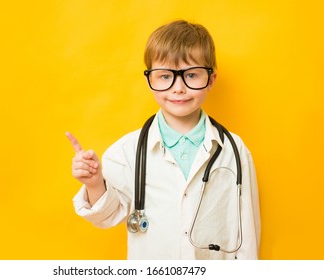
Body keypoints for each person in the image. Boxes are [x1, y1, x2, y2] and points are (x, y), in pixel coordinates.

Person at [66, 20, 260, 260]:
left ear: (211, 79)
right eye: (165, 76)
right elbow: (107, 216)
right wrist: (95, 184)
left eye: (191, 75)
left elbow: (248, 234)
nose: (178, 88)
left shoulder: (234, 149)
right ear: (151, 80)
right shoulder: (127, 151)